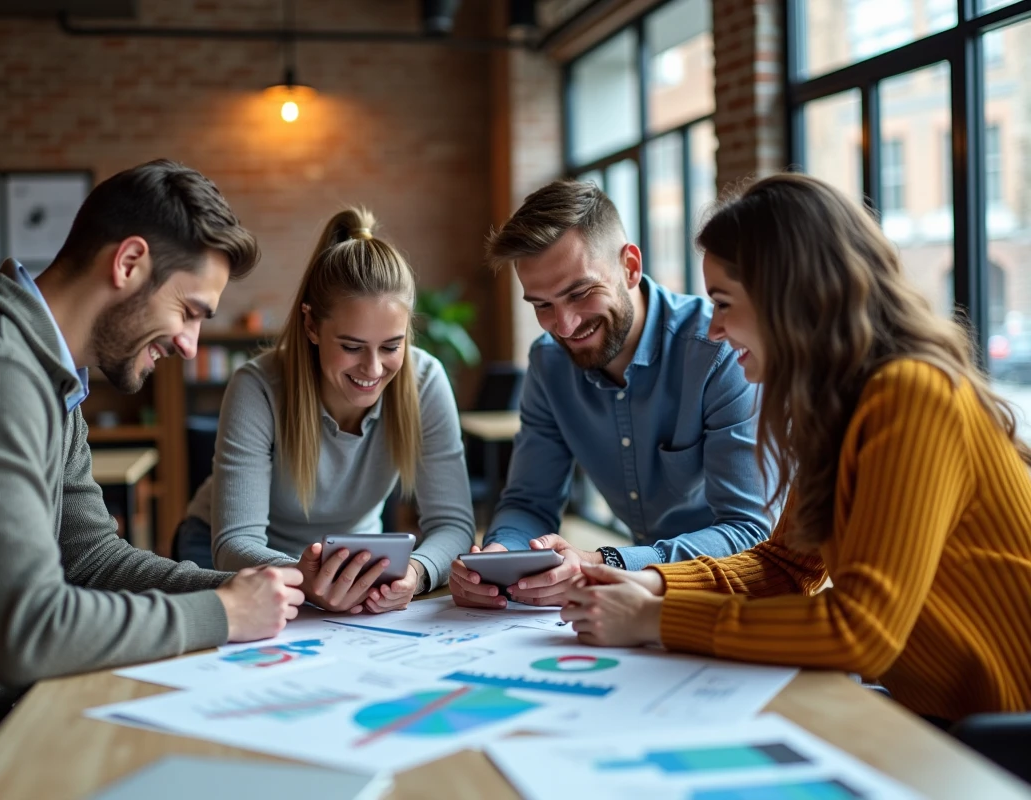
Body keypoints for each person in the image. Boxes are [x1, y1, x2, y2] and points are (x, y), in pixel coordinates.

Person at [0, 160, 306, 800]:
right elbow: (28, 633)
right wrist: (223, 612)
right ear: (129, 262)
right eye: (189, 311)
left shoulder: (51, 382)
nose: (192, 344)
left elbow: (89, 555)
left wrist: (262, 590)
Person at [562, 173, 1031, 722]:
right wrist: (650, 583)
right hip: (944, 717)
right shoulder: (844, 405)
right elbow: (786, 566)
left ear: (790, 299)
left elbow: (863, 632)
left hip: (1002, 736)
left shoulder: (912, 394)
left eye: (724, 303)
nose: (714, 331)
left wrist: (655, 619)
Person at [451, 179, 770, 610]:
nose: (563, 326)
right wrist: (502, 556)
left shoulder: (721, 353)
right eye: (541, 304)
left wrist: (608, 562)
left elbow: (749, 532)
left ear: (630, 267)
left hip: (737, 597)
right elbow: (529, 500)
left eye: (580, 293)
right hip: (641, 601)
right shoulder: (549, 364)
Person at [173, 207, 475, 614]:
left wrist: (417, 572)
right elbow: (233, 544)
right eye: (351, 347)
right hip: (233, 558)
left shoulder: (425, 381)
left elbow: (454, 525)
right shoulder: (258, 387)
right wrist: (306, 576)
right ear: (311, 326)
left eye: (391, 346)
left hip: (352, 568)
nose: (372, 369)